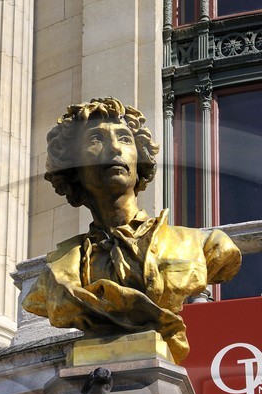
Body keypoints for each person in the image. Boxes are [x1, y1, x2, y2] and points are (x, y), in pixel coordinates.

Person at [22, 97, 240, 363]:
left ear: (141, 162)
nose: (114, 148)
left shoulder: (203, 244)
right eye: (95, 140)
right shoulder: (57, 274)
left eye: (125, 139)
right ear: (73, 170)